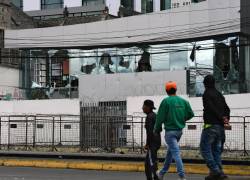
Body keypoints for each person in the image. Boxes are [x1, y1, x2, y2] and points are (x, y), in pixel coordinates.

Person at [154, 82, 194, 180]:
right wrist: (183, 119)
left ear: (167, 91)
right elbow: (190, 114)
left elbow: (160, 117)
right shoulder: (184, 101)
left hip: (170, 133)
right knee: (170, 153)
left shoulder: (166, 101)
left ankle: (182, 176)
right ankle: (161, 173)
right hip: (179, 132)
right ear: (176, 89)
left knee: (175, 153)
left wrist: (157, 129)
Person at [200, 75, 230, 180]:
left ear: (205, 83)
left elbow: (210, 107)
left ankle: (216, 170)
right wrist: (226, 118)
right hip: (220, 128)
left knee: (204, 149)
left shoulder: (206, 94)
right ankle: (218, 173)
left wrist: (221, 117)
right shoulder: (219, 94)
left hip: (210, 126)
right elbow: (227, 108)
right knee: (216, 151)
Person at [143, 100, 161, 180]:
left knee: (152, 163)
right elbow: (160, 128)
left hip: (152, 143)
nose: (142, 108)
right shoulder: (155, 115)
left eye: (143, 106)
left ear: (148, 107)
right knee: (148, 163)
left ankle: (157, 178)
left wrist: (147, 144)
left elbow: (149, 132)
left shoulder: (149, 117)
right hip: (157, 141)